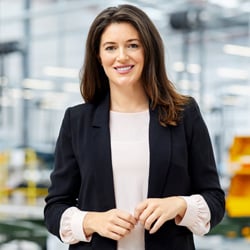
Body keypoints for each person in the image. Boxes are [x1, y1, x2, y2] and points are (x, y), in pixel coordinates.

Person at [44, 4, 225, 250]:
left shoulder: (184, 114)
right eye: (110, 47)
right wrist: (91, 220)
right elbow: (55, 208)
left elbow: (214, 200)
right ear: (99, 56)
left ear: (148, 51)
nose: (122, 56)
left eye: (132, 45)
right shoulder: (77, 121)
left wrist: (180, 205)